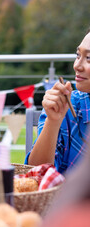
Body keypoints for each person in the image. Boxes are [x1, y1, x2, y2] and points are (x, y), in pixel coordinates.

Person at [25, 28, 90, 174]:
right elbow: (37, 175)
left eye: (89, 58)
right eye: (78, 55)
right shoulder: (66, 106)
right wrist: (53, 121)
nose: (77, 66)